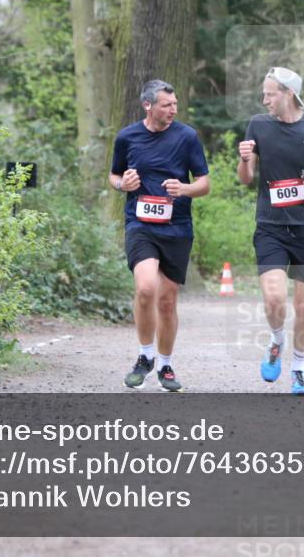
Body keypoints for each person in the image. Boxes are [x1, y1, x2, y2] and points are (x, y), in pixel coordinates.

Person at [237, 67, 304, 395]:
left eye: (270, 93)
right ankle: (276, 340)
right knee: (273, 297)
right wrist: (243, 160)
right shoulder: (258, 124)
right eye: (264, 94)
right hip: (270, 226)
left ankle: (298, 369)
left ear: (288, 94)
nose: (264, 99)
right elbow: (245, 178)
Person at [109, 80, 210, 392]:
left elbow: (204, 184)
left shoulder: (187, 137)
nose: (173, 110)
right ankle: (144, 357)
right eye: (167, 105)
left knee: (166, 300)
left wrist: (185, 189)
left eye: (175, 104)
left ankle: (165, 364)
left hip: (177, 227)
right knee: (145, 288)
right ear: (148, 106)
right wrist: (121, 185)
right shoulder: (127, 137)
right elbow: (114, 175)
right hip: (140, 225)